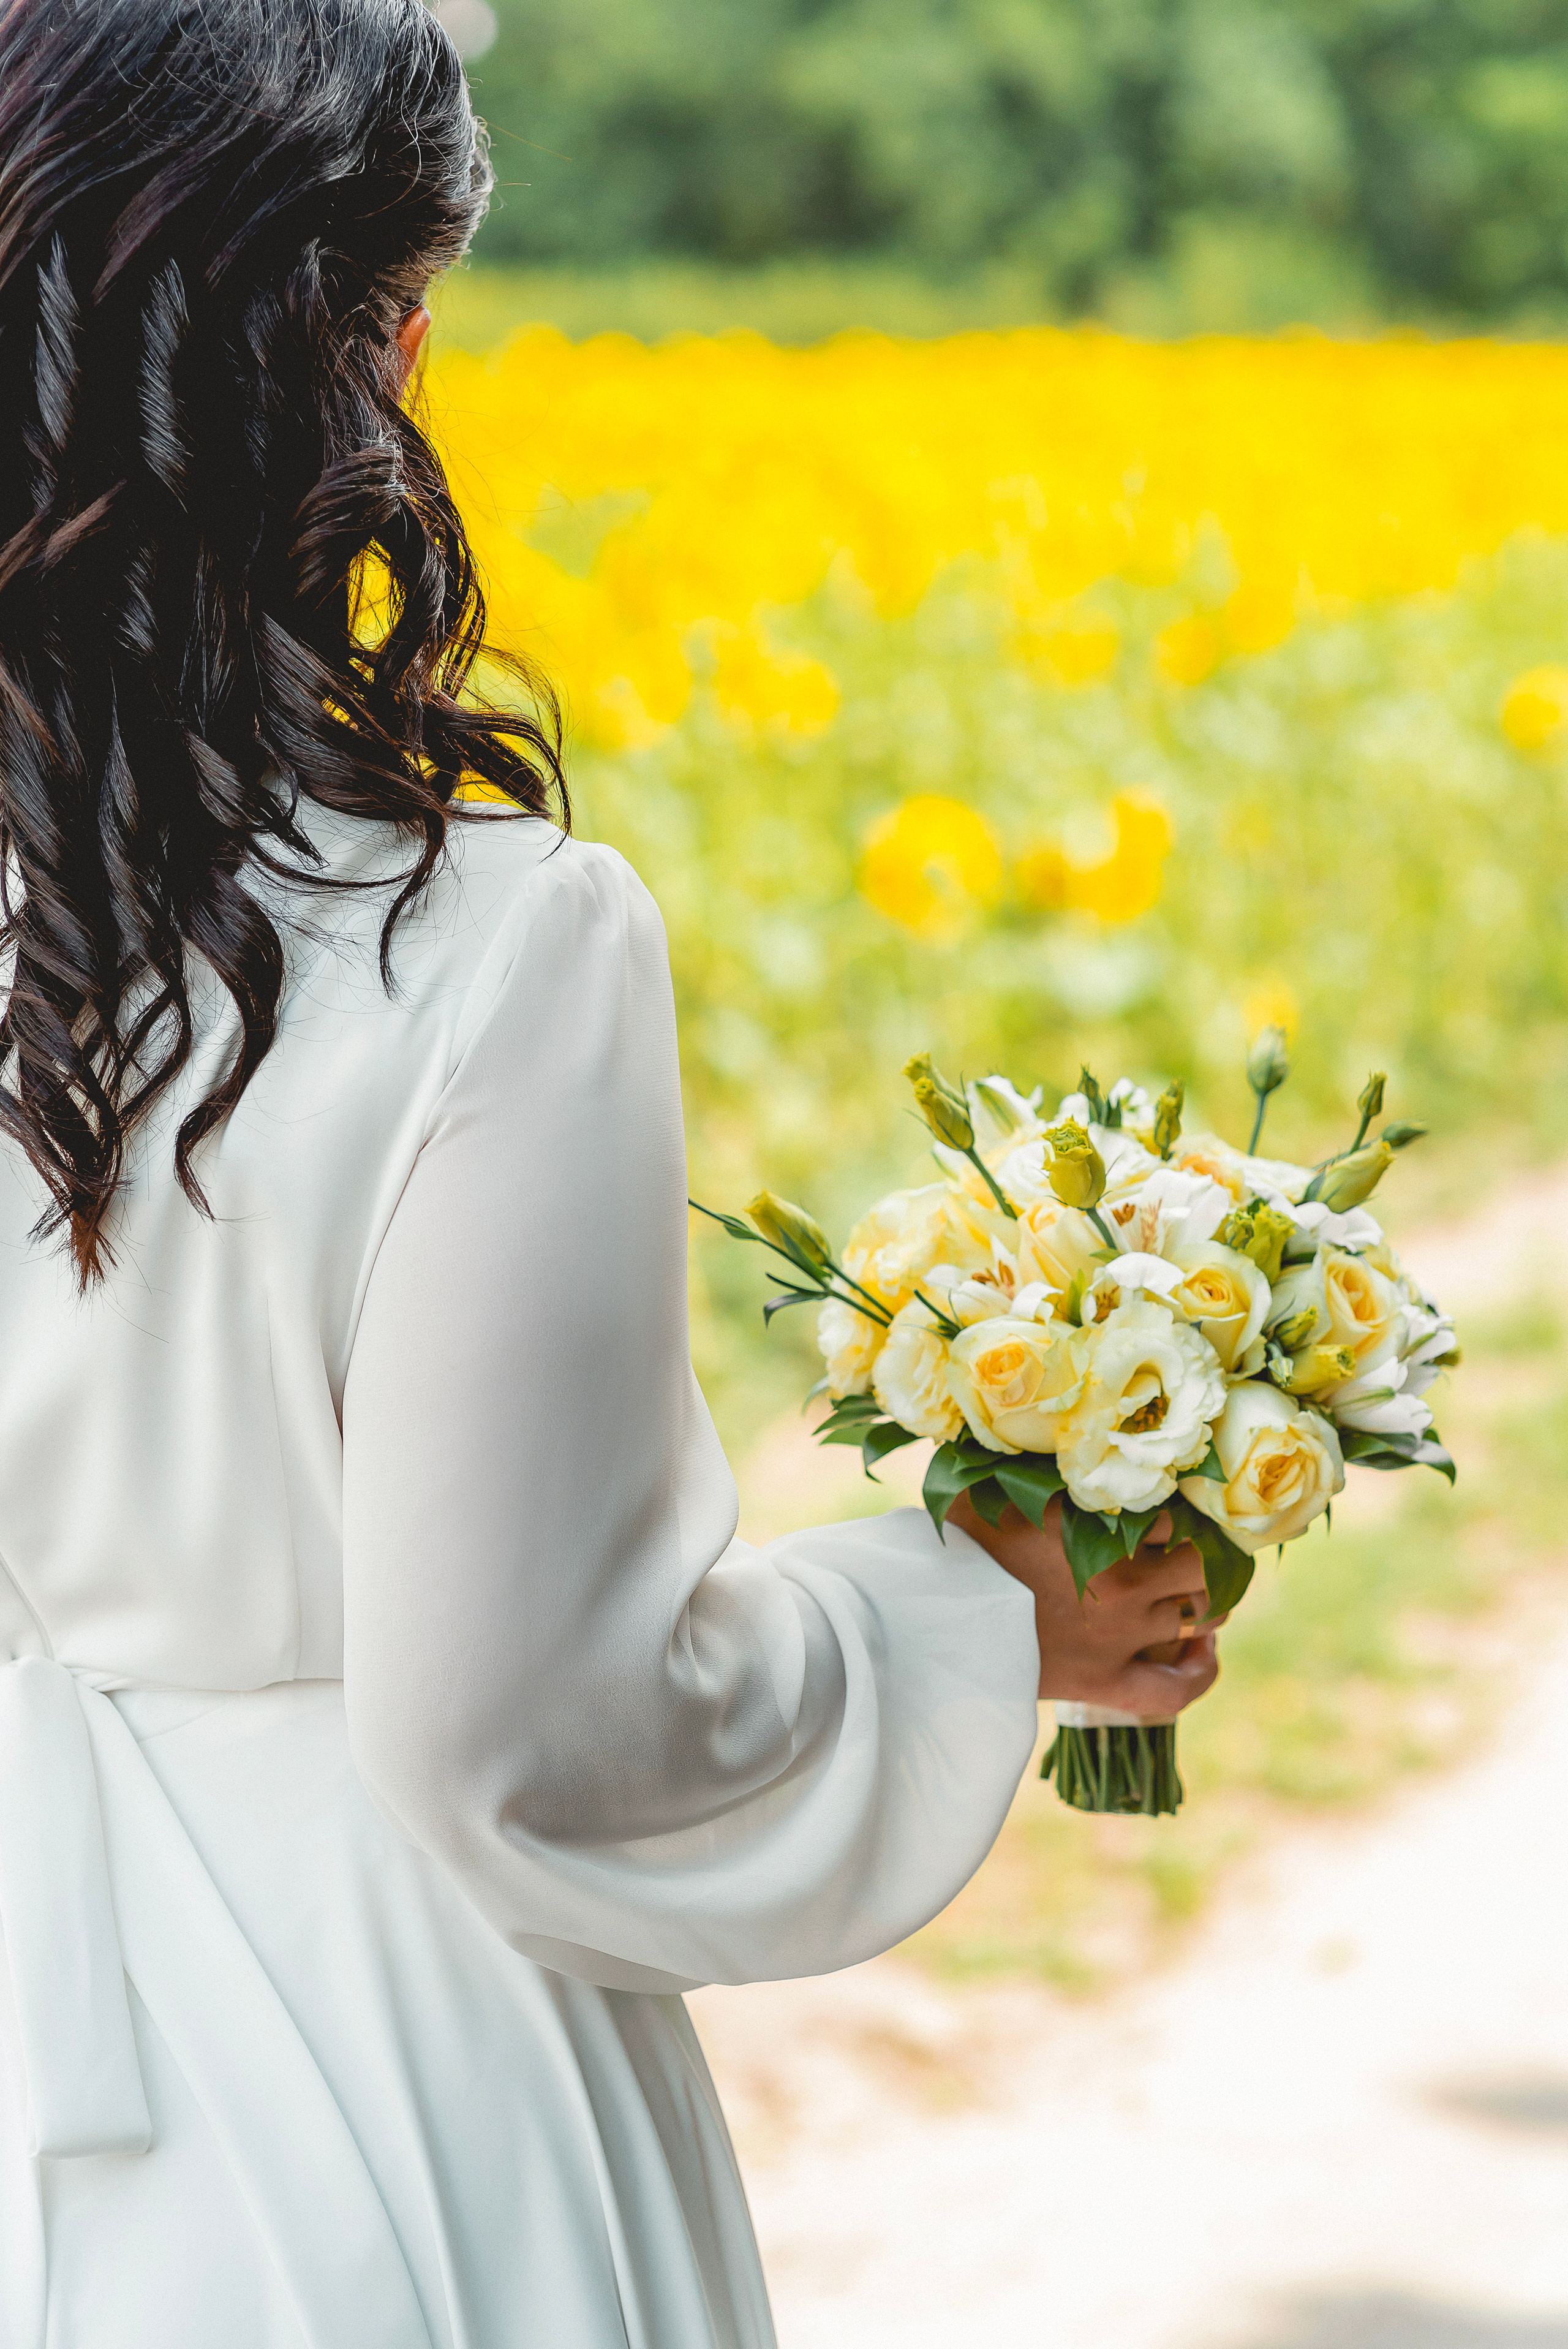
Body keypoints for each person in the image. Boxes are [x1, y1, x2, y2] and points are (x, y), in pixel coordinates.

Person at [0, 4, 1219, 2342]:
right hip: (377, 2090)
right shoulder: (496, 944)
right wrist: (974, 1606)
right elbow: (523, 1729)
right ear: (369, 345)